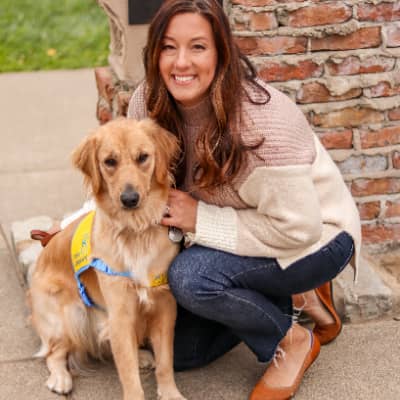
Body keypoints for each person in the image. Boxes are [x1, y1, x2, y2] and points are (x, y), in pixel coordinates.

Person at [31, 1, 361, 398]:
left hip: (316, 238)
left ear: (222, 51)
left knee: (191, 278)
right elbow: (135, 187)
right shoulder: (149, 103)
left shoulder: (266, 124)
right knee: (182, 350)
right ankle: (285, 295)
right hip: (246, 231)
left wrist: (199, 219)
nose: (181, 62)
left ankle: (289, 338)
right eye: (169, 47)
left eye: (198, 47)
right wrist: (73, 223)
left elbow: (300, 228)